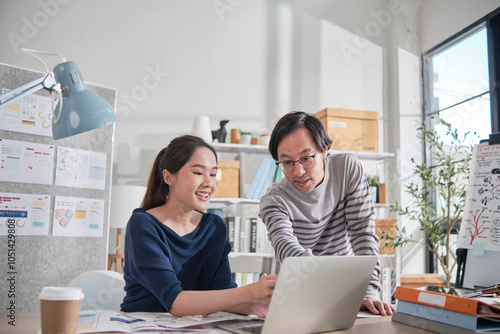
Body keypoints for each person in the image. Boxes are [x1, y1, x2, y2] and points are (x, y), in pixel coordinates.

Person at [121, 135, 277, 317]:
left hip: (189, 327)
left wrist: (257, 307)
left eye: (213, 174)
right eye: (198, 173)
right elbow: (175, 303)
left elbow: (224, 292)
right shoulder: (143, 225)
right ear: (169, 177)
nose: (209, 183)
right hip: (142, 326)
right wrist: (249, 292)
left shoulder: (213, 227)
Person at [259, 111, 395, 316]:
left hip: (352, 289)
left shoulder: (347, 169)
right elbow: (286, 248)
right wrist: (331, 290)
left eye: (306, 158)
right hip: (304, 293)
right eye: (287, 162)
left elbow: (363, 234)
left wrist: (369, 292)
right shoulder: (274, 199)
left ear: (324, 150)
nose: (298, 172)